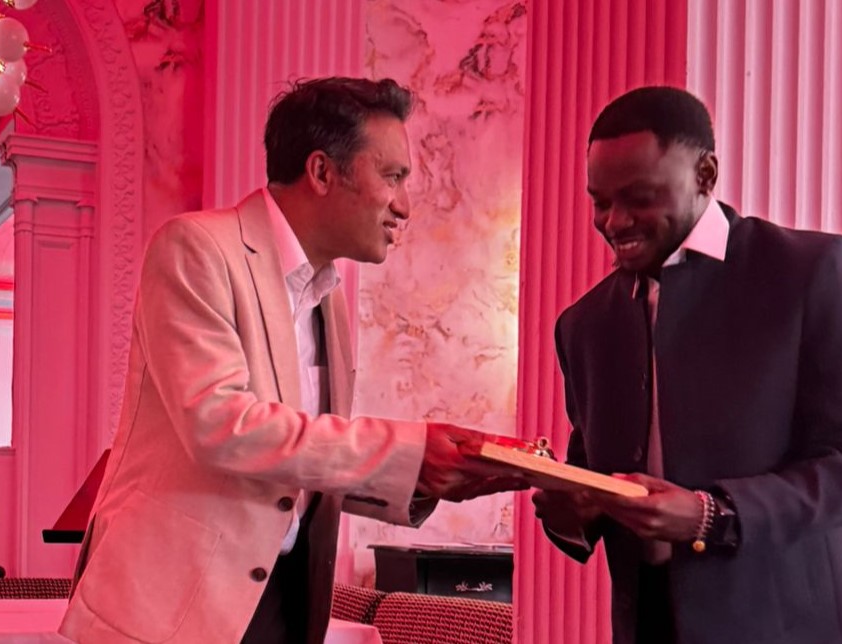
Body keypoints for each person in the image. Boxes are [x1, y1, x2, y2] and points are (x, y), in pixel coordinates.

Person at [60, 77, 524, 644]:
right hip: (171, 612)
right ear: (322, 172)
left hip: (285, 606)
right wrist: (409, 453)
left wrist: (425, 481)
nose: (404, 205)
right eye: (392, 176)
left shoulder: (328, 297)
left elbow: (299, 465)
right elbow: (220, 426)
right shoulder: (195, 248)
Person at [531, 86, 842, 643]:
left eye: (639, 198)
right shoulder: (584, 325)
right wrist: (571, 513)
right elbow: (591, 477)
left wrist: (714, 514)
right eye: (599, 202)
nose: (614, 221)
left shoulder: (812, 272)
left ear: (705, 175)